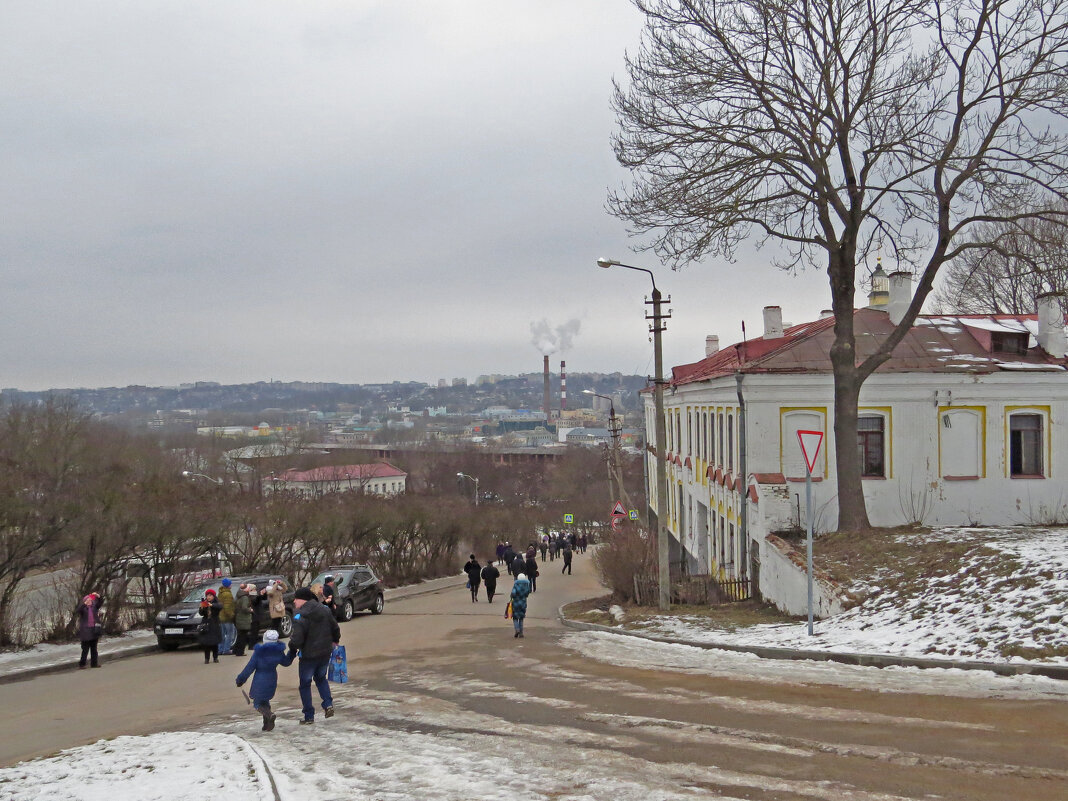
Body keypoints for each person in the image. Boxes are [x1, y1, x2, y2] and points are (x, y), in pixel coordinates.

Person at [287, 586, 341, 724]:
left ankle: (309, 716)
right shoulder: (325, 609)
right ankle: (328, 704)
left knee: (305, 684)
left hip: (308, 656)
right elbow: (335, 627)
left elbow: (297, 639)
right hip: (325, 652)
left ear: (303, 599)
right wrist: (335, 640)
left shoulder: (300, 615)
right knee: (321, 678)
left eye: (296, 599)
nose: (294, 602)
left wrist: (292, 648)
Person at [235, 629, 294, 731]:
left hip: (260, 680)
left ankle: (269, 715)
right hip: (272, 678)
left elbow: (249, 668)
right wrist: (292, 652)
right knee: (265, 701)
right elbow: (286, 662)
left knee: (257, 703)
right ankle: (266, 724)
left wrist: (240, 679)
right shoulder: (278, 652)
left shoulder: (259, 653)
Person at [76, 592, 104, 669]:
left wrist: (98, 596)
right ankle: (82, 664)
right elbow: (78, 610)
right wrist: (84, 604)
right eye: (87, 600)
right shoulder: (83, 609)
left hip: (94, 630)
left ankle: (94, 663)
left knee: (94, 649)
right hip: (85, 632)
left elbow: (100, 602)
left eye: (90, 600)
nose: (89, 601)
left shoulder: (94, 607)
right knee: (85, 649)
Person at [198, 588, 223, 664]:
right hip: (206, 624)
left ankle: (215, 657)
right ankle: (207, 658)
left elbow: (220, 606)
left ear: (213, 596)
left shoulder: (216, 602)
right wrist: (202, 608)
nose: (208, 597)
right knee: (206, 643)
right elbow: (201, 613)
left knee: (214, 642)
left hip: (214, 623)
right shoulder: (204, 602)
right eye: (207, 595)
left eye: (210, 595)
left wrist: (211, 605)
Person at [232, 582, 253, 657]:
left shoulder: (238, 596)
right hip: (244, 618)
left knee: (240, 635)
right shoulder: (245, 597)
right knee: (243, 636)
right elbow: (244, 607)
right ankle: (240, 652)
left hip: (238, 617)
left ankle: (236, 650)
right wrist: (250, 610)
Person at [217, 577, 236, 655]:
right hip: (227, 617)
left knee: (222, 634)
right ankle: (226, 649)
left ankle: (220, 649)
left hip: (221, 616)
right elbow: (227, 607)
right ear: (228, 585)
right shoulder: (228, 594)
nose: (231, 585)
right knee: (230, 633)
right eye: (230, 584)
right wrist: (232, 615)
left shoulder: (220, 593)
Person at [509, 572, 532, 638]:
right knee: (521, 618)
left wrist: (512, 596)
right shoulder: (527, 585)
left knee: (515, 617)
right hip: (523, 603)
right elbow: (527, 594)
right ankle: (521, 633)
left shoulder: (516, 585)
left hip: (516, 603)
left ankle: (517, 629)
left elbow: (513, 593)